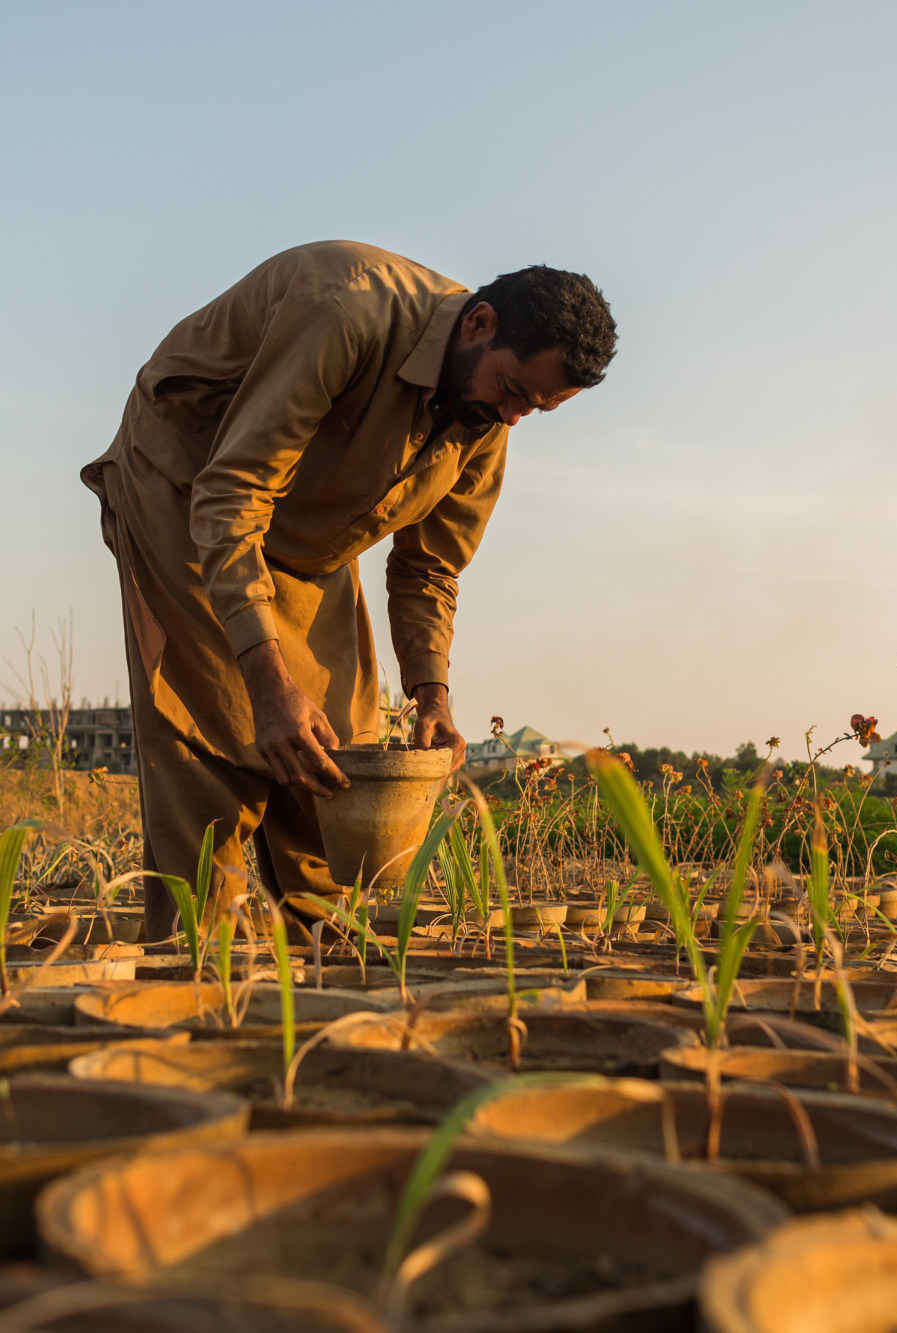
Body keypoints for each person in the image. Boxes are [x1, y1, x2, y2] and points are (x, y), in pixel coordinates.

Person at [81, 240, 616, 942]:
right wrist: (268, 688)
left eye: (537, 409)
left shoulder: (485, 415)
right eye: (515, 391)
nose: (515, 416)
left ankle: (321, 955)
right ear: (479, 323)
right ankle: (199, 960)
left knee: (339, 756)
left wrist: (432, 696)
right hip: (185, 489)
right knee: (217, 732)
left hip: (308, 537)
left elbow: (429, 569)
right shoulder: (346, 311)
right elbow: (233, 491)